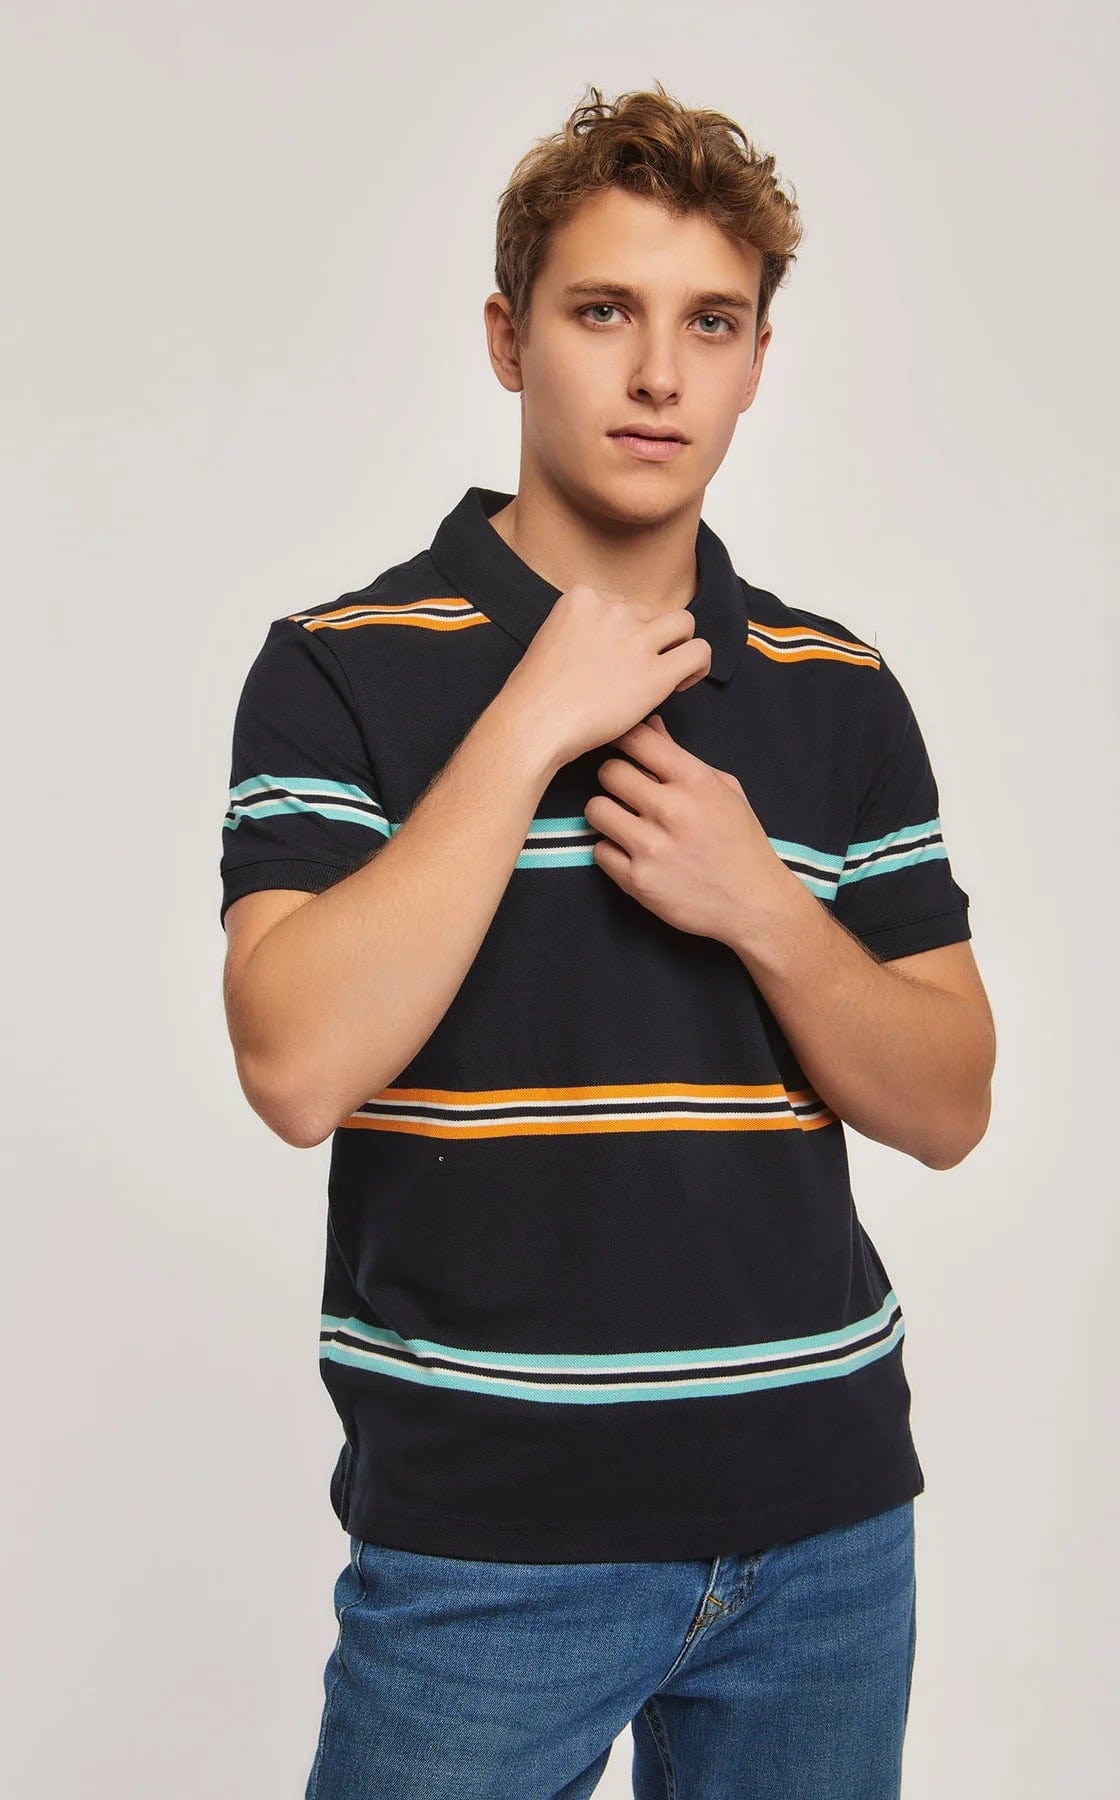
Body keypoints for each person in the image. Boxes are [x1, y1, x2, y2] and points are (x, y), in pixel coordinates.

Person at [219, 78, 994, 1800]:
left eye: (710, 323)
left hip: (823, 1544)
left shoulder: (837, 690)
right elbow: (295, 1064)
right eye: (602, 313)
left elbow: (949, 1103)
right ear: (508, 339)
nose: (659, 374)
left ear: (758, 360)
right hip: (489, 1558)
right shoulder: (342, 669)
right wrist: (528, 724)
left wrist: (765, 906)